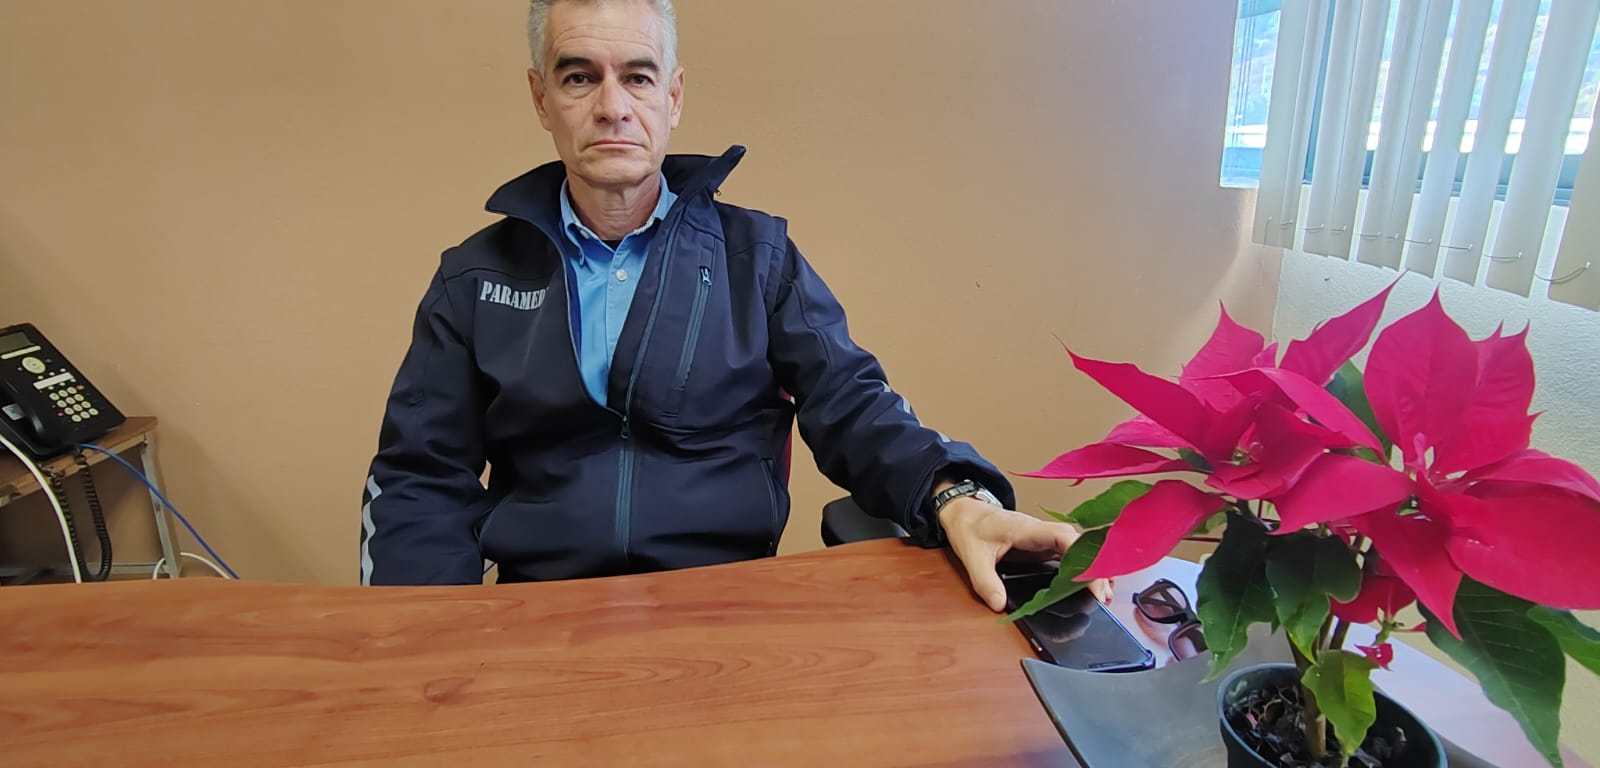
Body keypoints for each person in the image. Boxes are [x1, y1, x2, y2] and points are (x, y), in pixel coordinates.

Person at [360, 0, 1109, 612]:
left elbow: (854, 405)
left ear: (674, 97)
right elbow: (420, 476)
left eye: (639, 77)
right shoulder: (474, 278)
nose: (613, 107)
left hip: (728, 609)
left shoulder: (759, 258)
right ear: (540, 98)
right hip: (540, 613)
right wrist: (423, 639)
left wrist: (956, 495)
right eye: (580, 77)